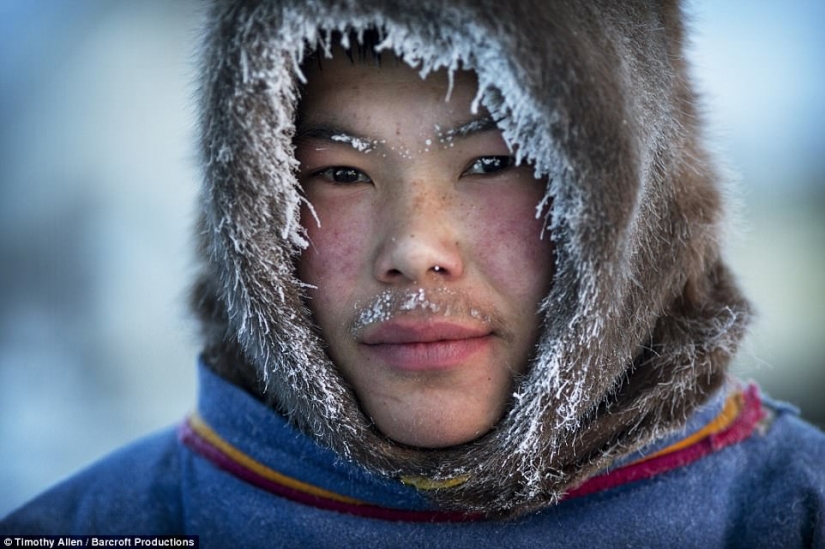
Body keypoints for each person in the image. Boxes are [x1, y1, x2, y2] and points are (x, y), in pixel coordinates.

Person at [3, 0, 824, 546]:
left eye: (492, 163)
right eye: (341, 173)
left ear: (626, 205)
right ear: (255, 215)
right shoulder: (90, 525)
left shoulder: (791, 514)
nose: (414, 247)